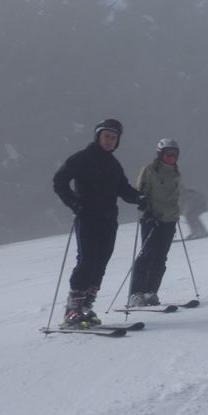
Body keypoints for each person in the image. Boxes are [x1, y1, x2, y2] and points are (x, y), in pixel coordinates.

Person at [53, 118, 145, 327]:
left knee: (101, 262)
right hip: (87, 218)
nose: (109, 140)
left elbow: (123, 189)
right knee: (87, 261)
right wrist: (74, 203)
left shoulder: (114, 165)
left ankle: (86, 306)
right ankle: (72, 310)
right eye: (106, 136)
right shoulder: (82, 158)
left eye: (113, 138)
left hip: (109, 219)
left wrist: (138, 197)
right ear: (98, 136)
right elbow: (59, 181)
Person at [128, 138, 182, 307]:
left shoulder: (175, 172)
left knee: (160, 258)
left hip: (169, 220)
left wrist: (175, 213)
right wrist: (146, 210)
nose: (171, 158)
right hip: (152, 219)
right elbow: (141, 193)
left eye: (175, 155)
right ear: (160, 154)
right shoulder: (149, 170)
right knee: (147, 255)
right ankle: (135, 293)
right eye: (168, 154)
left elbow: (174, 196)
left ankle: (150, 292)